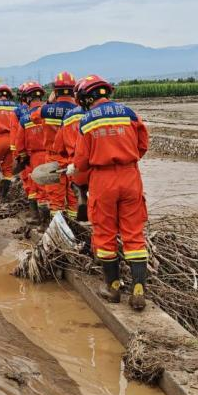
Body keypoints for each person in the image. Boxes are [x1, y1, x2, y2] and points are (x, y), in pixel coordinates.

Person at [70, 74, 150, 309]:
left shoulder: (86, 121)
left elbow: (82, 162)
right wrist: (126, 161)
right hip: (130, 176)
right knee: (134, 234)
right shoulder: (130, 114)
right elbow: (143, 145)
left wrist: (79, 178)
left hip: (102, 180)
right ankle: (138, 290)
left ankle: (112, 288)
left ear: (86, 98)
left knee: (105, 235)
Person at [30, 71, 77, 218]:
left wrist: (49, 103)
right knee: (75, 197)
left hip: (53, 159)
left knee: (55, 200)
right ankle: (77, 230)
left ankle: (57, 231)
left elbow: (33, 118)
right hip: (75, 160)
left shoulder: (45, 110)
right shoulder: (80, 110)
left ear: (55, 91)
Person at [51, 87, 87, 220]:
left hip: (73, 162)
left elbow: (58, 146)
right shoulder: (104, 114)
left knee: (57, 195)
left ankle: (65, 227)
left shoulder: (68, 116)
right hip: (98, 165)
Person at [12, 81, 47, 218]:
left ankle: (39, 219)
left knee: (36, 186)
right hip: (53, 155)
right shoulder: (50, 113)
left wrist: (21, 157)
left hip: (35, 157)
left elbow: (19, 143)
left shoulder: (25, 118)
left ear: (27, 98)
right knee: (54, 188)